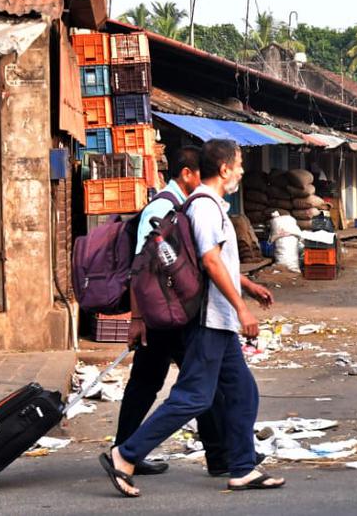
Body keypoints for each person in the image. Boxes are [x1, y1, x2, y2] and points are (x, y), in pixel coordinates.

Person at [100, 139, 284, 497]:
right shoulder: (203, 206)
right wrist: (241, 308)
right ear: (225, 168)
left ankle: (242, 467)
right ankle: (126, 454)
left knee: (243, 391)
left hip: (219, 321)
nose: (243, 171)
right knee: (194, 397)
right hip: (208, 320)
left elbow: (218, 262)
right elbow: (210, 262)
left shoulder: (212, 205)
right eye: (240, 163)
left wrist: (247, 287)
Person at [113, 146, 229, 478]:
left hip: (167, 312)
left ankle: (124, 451)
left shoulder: (182, 205)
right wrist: (137, 320)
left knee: (147, 383)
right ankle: (219, 456)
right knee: (200, 382)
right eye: (199, 176)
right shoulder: (164, 205)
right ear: (186, 174)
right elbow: (139, 266)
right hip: (162, 315)